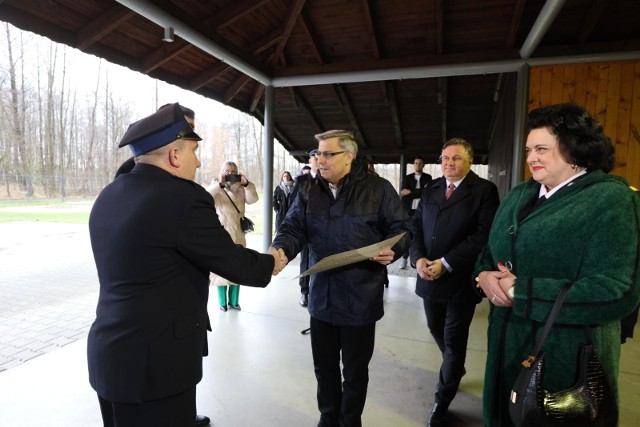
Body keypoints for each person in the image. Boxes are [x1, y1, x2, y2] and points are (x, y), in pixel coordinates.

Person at [87, 103, 284, 427]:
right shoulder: (182, 198)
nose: (199, 160)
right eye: (194, 150)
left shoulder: (110, 193)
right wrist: (273, 261)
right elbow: (233, 262)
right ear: (174, 156)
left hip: (111, 356)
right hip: (155, 366)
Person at [474, 103, 640, 427]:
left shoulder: (613, 200)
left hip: (567, 357)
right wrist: (482, 276)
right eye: (528, 149)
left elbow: (618, 291)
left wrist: (521, 290)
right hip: (507, 347)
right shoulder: (520, 194)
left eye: (541, 149)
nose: (531, 157)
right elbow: (488, 251)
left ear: (575, 148)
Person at [271, 130, 412, 427]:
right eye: (318, 153)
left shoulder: (379, 189)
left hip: (361, 296)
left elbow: (401, 228)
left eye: (327, 154)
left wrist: (394, 248)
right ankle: (328, 417)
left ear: (349, 156)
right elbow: (293, 228)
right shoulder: (309, 189)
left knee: (355, 370)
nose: (319, 160)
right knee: (324, 367)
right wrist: (279, 250)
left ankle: (350, 421)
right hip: (321, 295)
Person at [410, 138, 500, 426]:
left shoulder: (484, 191)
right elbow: (416, 228)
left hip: (460, 279)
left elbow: (482, 236)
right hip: (428, 277)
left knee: (453, 340)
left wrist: (446, 263)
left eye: (456, 158)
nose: (449, 163)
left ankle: (442, 400)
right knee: (435, 329)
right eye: (445, 158)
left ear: (470, 161)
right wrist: (418, 259)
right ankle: (454, 368)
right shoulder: (431, 189)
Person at [206, 161, 258, 312]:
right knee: (220, 270)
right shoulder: (215, 187)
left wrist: (247, 184)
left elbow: (253, 199)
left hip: (238, 235)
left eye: (233, 171)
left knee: (238, 268)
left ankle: (234, 302)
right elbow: (205, 196)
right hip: (220, 235)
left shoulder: (241, 188)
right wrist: (220, 185)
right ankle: (222, 303)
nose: (230, 173)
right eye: (227, 171)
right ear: (222, 172)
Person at [290, 150, 320, 307]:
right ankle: (304, 291)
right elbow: (293, 205)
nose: (319, 160)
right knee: (306, 261)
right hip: (306, 229)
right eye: (315, 157)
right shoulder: (302, 180)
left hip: (322, 230)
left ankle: (317, 291)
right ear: (310, 160)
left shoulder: (327, 179)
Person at [400, 155, 432, 269]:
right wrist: (419, 191)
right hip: (408, 210)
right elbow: (403, 192)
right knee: (407, 233)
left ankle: (418, 258)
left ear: (423, 165)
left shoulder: (428, 177)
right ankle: (404, 258)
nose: (417, 165)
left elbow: (427, 192)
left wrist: (411, 192)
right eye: (416, 163)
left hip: (422, 211)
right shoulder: (408, 178)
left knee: (419, 234)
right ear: (413, 164)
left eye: (420, 163)